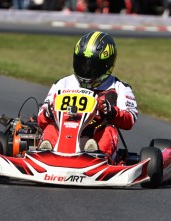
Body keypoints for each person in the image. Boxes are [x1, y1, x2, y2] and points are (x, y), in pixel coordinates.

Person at [37, 31, 138, 160]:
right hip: (65, 131)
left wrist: (112, 112)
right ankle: (45, 151)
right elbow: (41, 119)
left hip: (95, 133)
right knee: (51, 127)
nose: (86, 70)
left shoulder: (119, 87)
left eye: (93, 67)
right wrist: (48, 112)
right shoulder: (63, 83)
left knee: (109, 130)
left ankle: (96, 155)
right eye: (83, 64)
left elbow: (129, 119)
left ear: (108, 65)